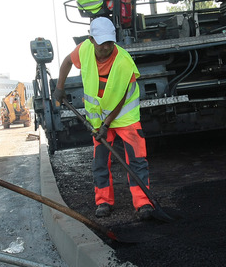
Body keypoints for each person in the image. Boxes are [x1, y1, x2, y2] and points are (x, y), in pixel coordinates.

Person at [52, 17, 155, 220]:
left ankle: (143, 203)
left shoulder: (124, 62)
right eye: (102, 43)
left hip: (125, 117)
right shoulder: (84, 50)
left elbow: (121, 99)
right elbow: (66, 62)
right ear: (91, 40)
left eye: (110, 42)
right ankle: (103, 202)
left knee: (136, 160)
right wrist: (59, 87)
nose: (106, 47)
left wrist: (107, 125)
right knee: (100, 161)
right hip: (98, 120)